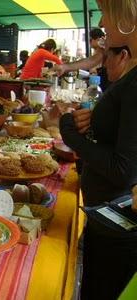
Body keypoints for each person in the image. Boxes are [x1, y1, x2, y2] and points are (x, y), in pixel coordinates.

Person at [59, 0, 137, 298]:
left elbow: (123, 168)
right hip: (105, 219)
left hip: (117, 229)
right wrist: (90, 125)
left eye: (105, 12)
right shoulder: (129, 79)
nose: (102, 22)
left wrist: (71, 135)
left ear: (126, 16)